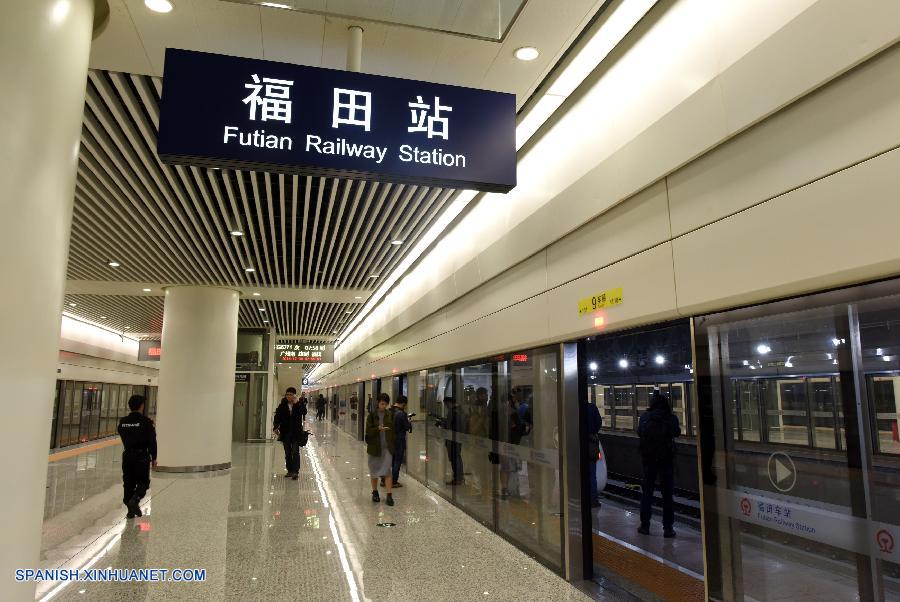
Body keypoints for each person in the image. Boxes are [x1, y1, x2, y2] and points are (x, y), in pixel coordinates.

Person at [637, 389, 681, 538]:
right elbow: (677, 432)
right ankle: (668, 528)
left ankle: (645, 526)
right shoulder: (671, 418)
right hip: (666, 460)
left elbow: (639, 432)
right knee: (667, 495)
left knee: (647, 493)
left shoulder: (644, 417)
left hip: (648, 460)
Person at [117, 394, 157, 519]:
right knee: (143, 482)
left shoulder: (123, 422)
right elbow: (152, 441)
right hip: (141, 456)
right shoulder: (146, 422)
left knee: (128, 482)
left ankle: (130, 510)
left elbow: (122, 434)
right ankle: (135, 500)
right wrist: (154, 457)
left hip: (128, 455)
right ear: (141, 406)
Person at [365, 393, 396, 506]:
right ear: (378, 403)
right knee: (374, 471)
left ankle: (389, 495)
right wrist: (377, 429)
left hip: (387, 448)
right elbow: (368, 431)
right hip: (374, 448)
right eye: (382, 403)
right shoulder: (372, 415)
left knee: (387, 471)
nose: (384, 406)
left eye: (386, 404)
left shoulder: (390, 415)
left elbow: (394, 429)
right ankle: (375, 492)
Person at [273, 387, 297, 476]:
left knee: (295, 452)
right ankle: (290, 470)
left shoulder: (298, 404)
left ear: (294, 395)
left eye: (291, 395)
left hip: (295, 432)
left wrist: (297, 403)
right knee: (287, 452)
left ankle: (295, 471)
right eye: (287, 394)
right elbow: (277, 417)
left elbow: (304, 412)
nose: (288, 396)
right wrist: (275, 427)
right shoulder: (282, 405)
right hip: (285, 432)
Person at [442, 396, 465, 486]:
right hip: (459, 438)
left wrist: (443, 423)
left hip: (452, 438)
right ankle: (460, 477)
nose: (446, 406)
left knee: (454, 458)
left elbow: (448, 426)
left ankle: (457, 478)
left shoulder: (452, 412)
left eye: (446, 404)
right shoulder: (461, 410)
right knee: (458, 457)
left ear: (448, 403)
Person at [389, 396, 412, 488]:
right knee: (397, 460)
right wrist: (409, 421)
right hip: (399, 439)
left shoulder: (390, 411)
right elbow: (406, 427)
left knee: (390, 460)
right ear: (403, 404)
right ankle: (394, 481)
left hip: (389, 439)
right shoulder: (401, 414)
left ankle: (384, 480)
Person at [586, 398, 603, 508]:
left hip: (575, 446)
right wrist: (593, 432)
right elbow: (599, 422)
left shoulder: (572, 408)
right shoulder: (592, 408)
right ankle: (593, 500)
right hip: (591, 445)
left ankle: (580, 498)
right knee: (592, 475)